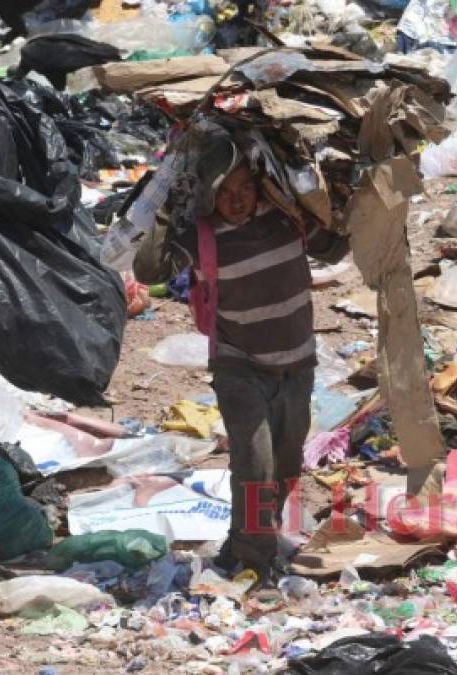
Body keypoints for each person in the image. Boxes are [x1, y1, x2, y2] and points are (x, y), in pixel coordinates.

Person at [134, 135, 348, 586]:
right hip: (239, 365)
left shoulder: (290, 218)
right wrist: (168, 204)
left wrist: (336, 190)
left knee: (286, 465)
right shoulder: (203, 235)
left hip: (296, 365)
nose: (236, 201)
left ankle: (245, 541)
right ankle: (258, 561)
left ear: (261, 185)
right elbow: (148, 270)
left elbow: (335, 247)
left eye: (245, 189)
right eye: (224, 192)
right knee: (255, 468)